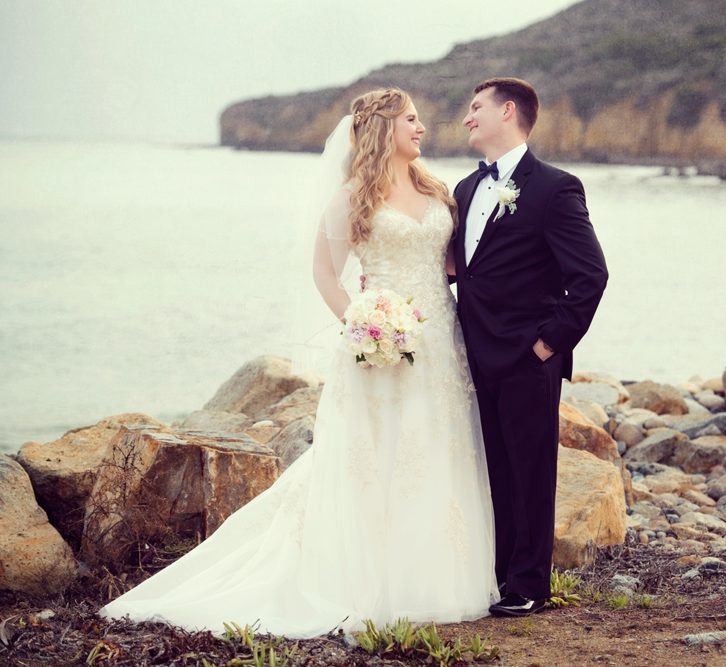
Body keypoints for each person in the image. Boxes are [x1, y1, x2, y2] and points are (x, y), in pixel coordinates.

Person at [99, 88, 499, 638]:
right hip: (380, 347)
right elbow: (325, 275)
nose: (422, 126)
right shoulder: (354, 197)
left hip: (440, 345)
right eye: (411, 118)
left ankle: (434, 579)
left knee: (434, 448)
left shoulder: (437, 190)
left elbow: (453, 265)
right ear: (384, 128)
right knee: (377, 457)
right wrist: (364, 324)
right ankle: (367, 579)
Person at [452, 78, 608, 617]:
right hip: (471, 356)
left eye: (476, 108)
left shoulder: (554, 188)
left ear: (508, 111)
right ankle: (498, 578)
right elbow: (460, 272)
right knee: (492, 468)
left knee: (529, 470)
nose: (467, 117)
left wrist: (548, 345)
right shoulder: (467, 191)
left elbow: (590, 276)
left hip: (525, 357)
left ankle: (529, 586)